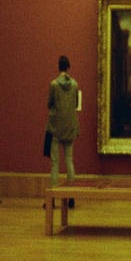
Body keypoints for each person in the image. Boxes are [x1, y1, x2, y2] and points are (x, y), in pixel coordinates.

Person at [46, 55, 80, 208]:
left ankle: (52, 198)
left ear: (58, 67)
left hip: (55, 127)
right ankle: (71, 197)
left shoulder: (54, 84)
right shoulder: (75, 85)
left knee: (55, 164)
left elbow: (49, 104)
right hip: (70, 126)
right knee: (69, 161)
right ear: (68, 67)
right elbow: (76, 104)